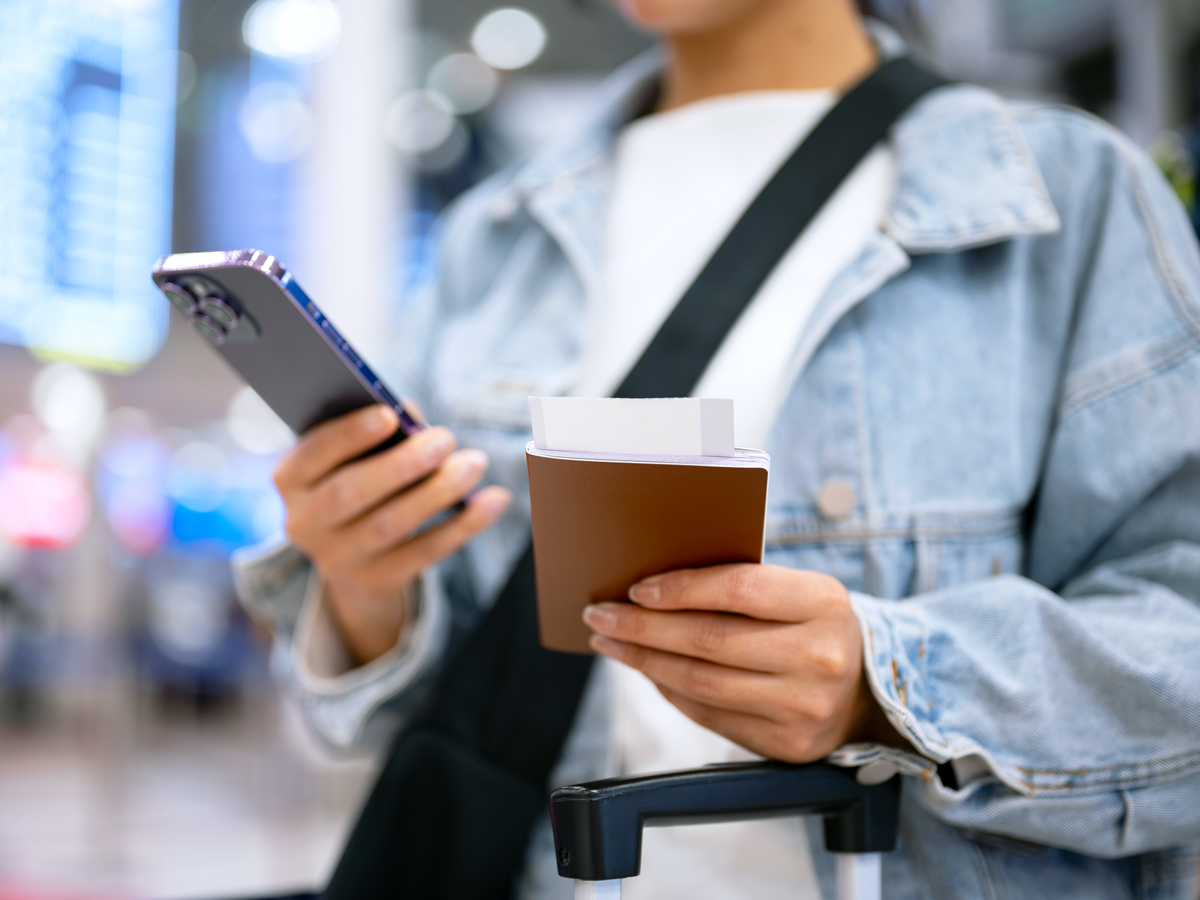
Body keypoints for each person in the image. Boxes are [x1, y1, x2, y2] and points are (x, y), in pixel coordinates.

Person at [234, 0, 1200, 896]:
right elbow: (447, 702)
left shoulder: (1059, 197)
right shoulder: (494, 234)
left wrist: (887, 684)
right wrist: (365, 583)